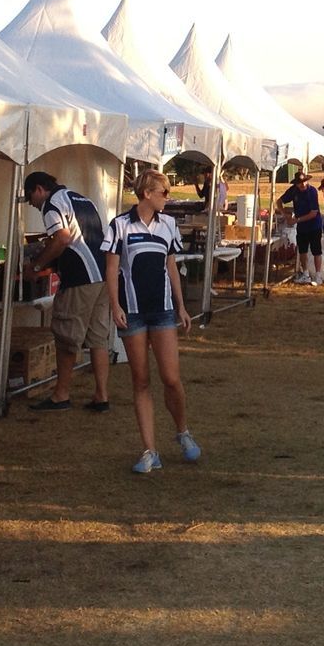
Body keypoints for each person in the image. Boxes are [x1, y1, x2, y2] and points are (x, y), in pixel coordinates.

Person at [103, 169, 200, 474]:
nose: (168, 197)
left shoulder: (169, 225)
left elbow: (172, 266)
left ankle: (182, 431)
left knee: (171, 378)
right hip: (132, 312)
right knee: (140, 380)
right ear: (147, 193)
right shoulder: (120, 225)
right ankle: (149, 451)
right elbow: (112, 267)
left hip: (163, 311)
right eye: (164, 192)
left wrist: (182, 306)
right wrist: (115, 305)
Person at [21, 171, 113, 413]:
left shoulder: (52, 204)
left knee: (66, 336)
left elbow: (62, 238)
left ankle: (60, 395)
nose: (32, 203)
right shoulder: (83, 198)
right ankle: (101, 396)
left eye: (31, 197)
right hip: (103, 276)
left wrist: (37, 265)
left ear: (39, 189)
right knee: (98, 337)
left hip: (80, 278)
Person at [278, 170, 324, 285]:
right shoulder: (293, 191)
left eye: (304, 181)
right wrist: (284, 213)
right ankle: (305, 274)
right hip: (301, 227)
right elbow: (279, 201)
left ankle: (318, 275)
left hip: (314, 225)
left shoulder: (312, 191)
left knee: (316, 250)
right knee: (302, 250)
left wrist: (296, 220)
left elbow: (313, 213)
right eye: (300, 183)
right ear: (296, 184)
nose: (303, 184)